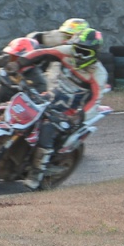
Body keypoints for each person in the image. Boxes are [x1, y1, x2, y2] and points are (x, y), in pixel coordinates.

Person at [18, 29, 108, 190]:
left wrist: (78, 116)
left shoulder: (99, 74)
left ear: (95, 53)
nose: (78, 55)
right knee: (12, 105)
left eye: (84, 52)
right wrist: (19, 62)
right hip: (47, 98)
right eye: (76, 49)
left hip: (67, 113)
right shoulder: (67, 51)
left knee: (47, 130)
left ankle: (36, 174)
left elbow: (95, 100)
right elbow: (42, 53)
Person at [27, 17, 92, 48]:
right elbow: (34, 36)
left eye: (71, 37)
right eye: (66, 36)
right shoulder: (55, 35)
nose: (68, 40)